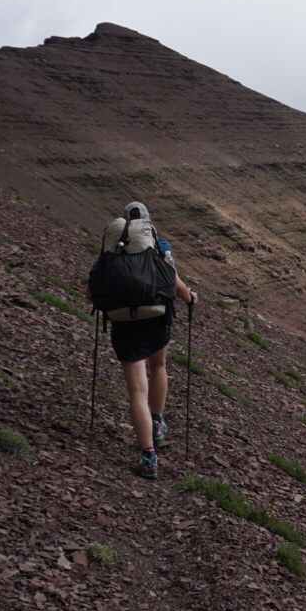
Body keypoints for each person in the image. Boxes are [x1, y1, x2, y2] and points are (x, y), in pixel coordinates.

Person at [87, 201, 194, 479]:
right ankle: (157, 422)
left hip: (124, 324)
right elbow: (174, 282)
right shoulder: (159, 244)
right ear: (147, 223)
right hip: (157, 319)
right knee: (159, 366)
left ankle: (148, 457)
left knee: (137, 391)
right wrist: (190, 298)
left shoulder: (111, 247)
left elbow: (92, 290)